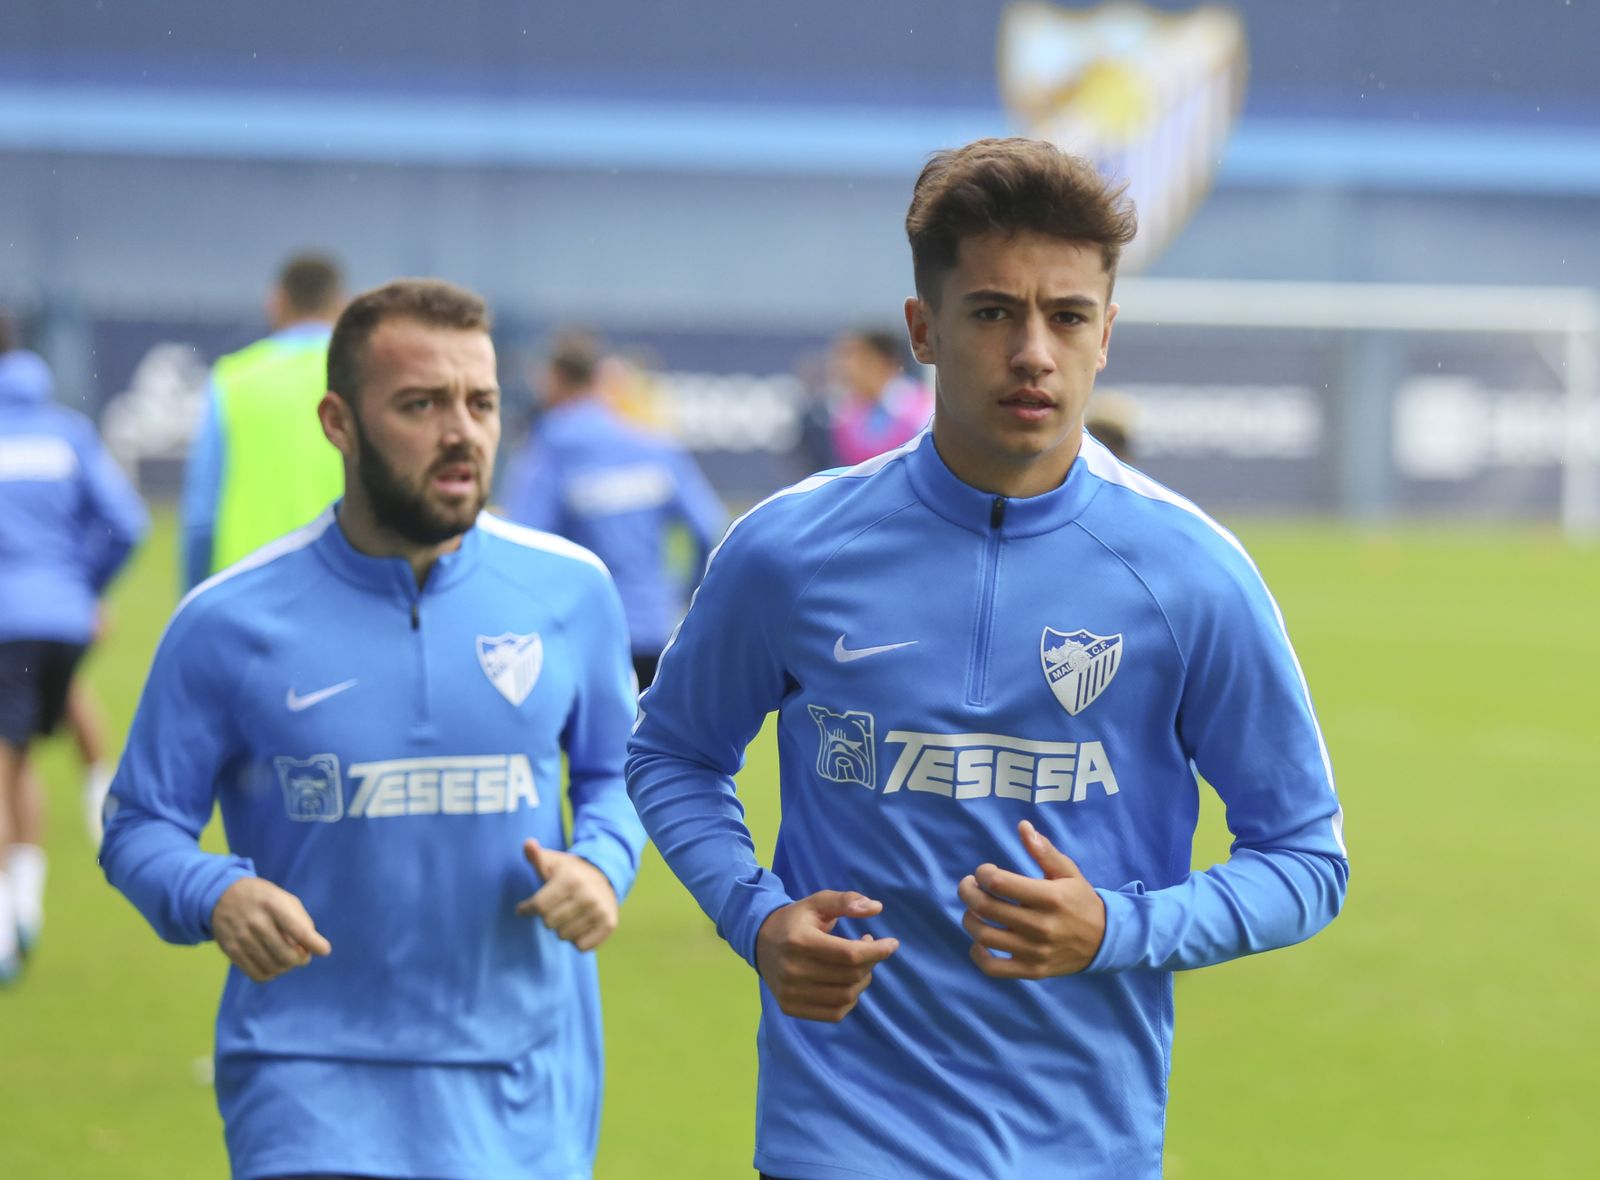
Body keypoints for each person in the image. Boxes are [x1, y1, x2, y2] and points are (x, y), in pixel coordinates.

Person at [625, 137, 1348, 1180]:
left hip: (1083, 1150)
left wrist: (1118, 925)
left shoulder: (1191, 575)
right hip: (838, 1142)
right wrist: (757, 917)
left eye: (1066, 316)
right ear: (924, 328)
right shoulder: (789, 551)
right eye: (993, 312)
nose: (1033, 353)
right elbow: (673, 754)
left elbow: (1306, 861)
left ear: (1107, 334)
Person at [102, 279, 646, 1178]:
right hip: (307, 1074)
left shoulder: (571, 591)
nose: (461, 431)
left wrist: (601, 862)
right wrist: (216, 893)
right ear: (339, 422)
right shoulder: (228, 623)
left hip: (523, 1078)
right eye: (420, 404)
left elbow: (614, 775)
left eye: (481, 402)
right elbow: (139, 825)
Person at [0, 317, 147, 982]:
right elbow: (128, 522)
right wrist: (81, 588)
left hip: (5, 621)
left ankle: (9, 921)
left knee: (7, 762)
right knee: (28, 740)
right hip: (61, 620)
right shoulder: (66, 430)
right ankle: (96, 800)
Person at [500, 328, 725, 688]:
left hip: (582, 633)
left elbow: (522, 543)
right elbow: (709, 530)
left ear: (553, 379)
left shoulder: (546, 451)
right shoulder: (653, 447)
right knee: (649, 743)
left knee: (590, 744)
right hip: (654, 630)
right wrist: (685, 594)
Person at [181, 251, 346, 591]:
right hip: (340, 586)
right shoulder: (363, 376)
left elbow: (201, 516)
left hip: (245, 588)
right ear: (341, 304)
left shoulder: (232, 378)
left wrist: (195, 596)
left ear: (276, 301)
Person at [826, 326, 934, 466]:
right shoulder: (845, 414)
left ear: (882, 362)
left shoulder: (922, 411)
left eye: (854, 357)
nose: (845, 367)